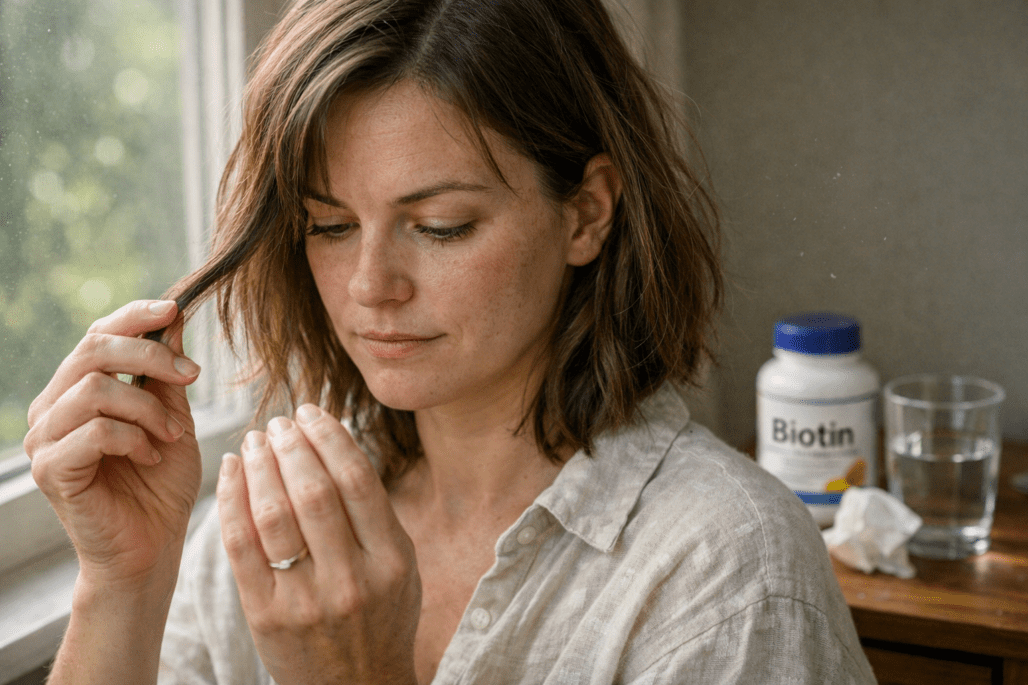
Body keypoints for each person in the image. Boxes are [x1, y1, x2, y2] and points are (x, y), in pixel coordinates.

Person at [24, 0, 877, 682]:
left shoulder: (729, 575)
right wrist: (123, 584)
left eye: (440, 226)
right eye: (328, 224)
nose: (369, 287)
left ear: (586, 212)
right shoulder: (269, 525)